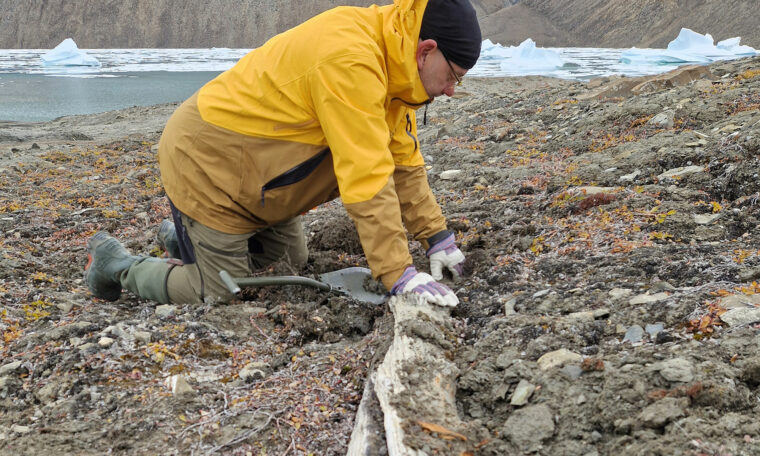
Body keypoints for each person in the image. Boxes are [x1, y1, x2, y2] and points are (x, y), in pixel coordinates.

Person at [84, 0, 481, 307]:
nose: (450, 90)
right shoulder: (352, 61)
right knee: (222, 290)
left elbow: (403, 162)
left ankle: (183, 237)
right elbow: (367, 175)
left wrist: (437, 238)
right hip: (207, 167)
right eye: (453, 77)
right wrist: (397, 274)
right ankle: (117, 265)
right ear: (425, 50)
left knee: (289, 260)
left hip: (257, 173)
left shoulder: (394, 71)